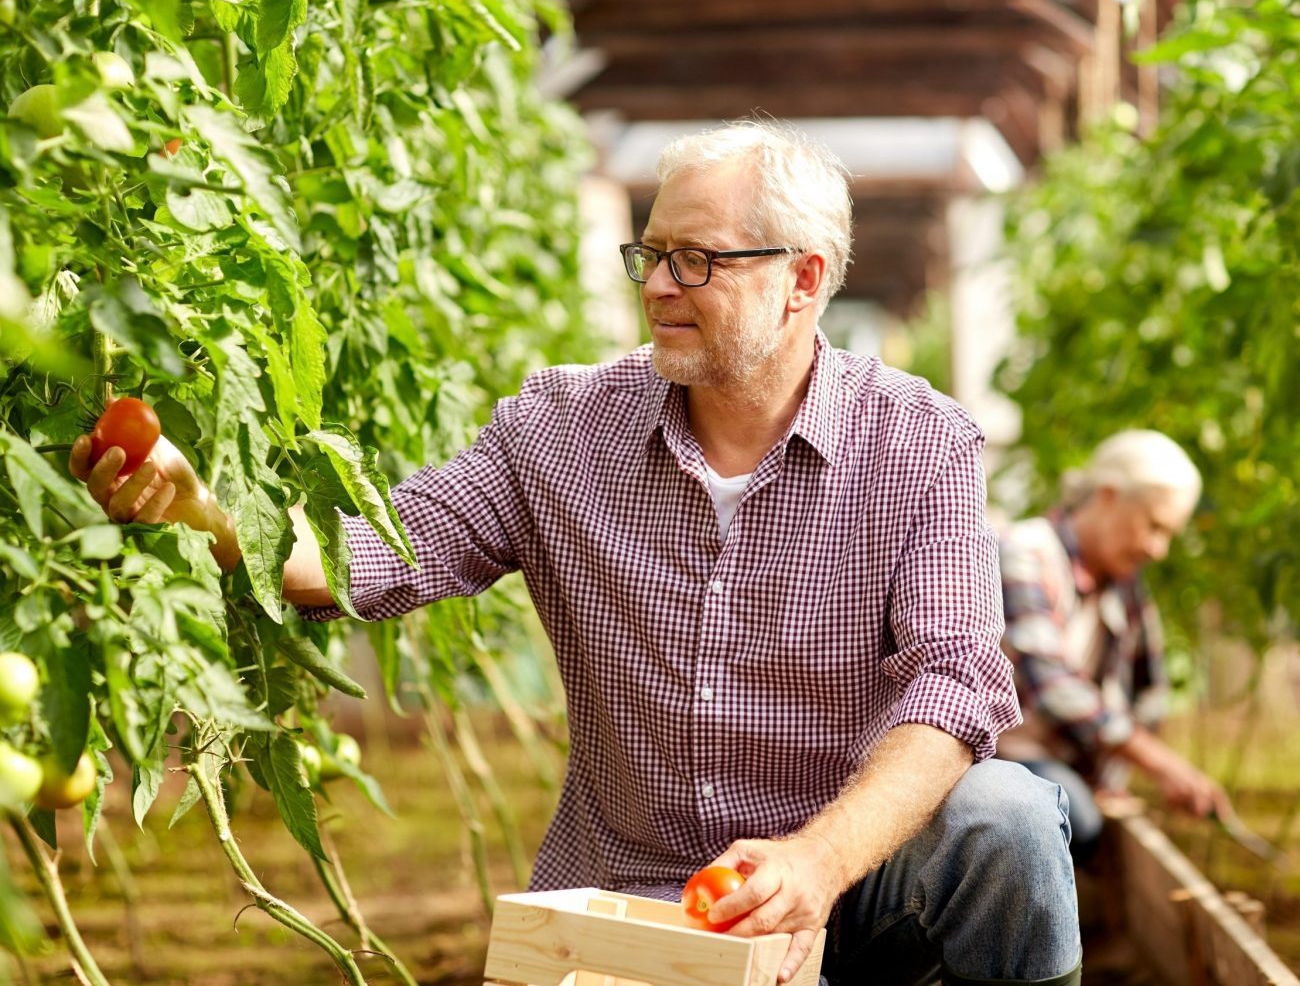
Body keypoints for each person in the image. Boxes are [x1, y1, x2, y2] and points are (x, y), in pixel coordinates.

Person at [70, 120, 1081, 986]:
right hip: (630, 894)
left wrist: (814, 864)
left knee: (1009, 820)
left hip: (849, 883)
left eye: (697, 260)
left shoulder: (919, 440)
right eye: (649, 255)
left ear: (802, 280)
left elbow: (954, 685)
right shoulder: (559, 429)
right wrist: (202, 507)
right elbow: (373, 554)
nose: (658, 288)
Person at [996, 429, 1232, 863]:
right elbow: (1054, 688)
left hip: (1065, 764)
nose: (1158, 549)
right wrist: (1162, 765)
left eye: (1168, 534)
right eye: (1153, 526)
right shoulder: (1026, 553)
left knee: (1086, 815)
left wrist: (1114, 776)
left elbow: (1150, 689)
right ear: (1107, 496)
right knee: (1076, 819)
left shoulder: (1124, 586)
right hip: (1002, 757)